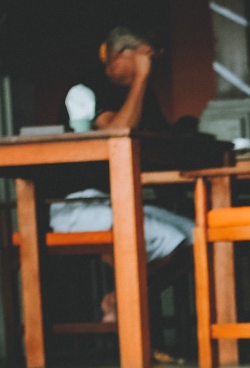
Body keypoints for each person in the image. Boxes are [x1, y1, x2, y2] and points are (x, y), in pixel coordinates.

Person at [47, 25, 196, 335]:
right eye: (144, 56)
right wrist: (140, 80)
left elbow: (160, 141)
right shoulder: (86, 87)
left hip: (122, 200)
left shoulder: (142, 95)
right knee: (170, 237)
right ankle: (125, 307)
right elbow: (115, 133)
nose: (150, 64)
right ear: (119, 54)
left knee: (197, 235)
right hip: (78, 202)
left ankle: (119, 299)